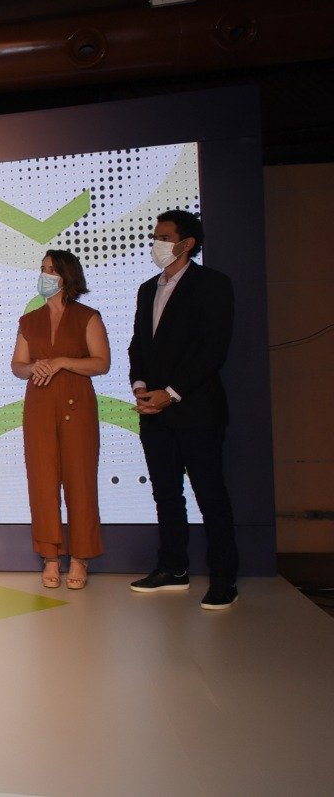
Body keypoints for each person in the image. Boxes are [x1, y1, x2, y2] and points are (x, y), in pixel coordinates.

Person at [128, 210, 240, 610]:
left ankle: (224, 579)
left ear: (187, 243)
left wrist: (171, 393)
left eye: (164, 237)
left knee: (210, 495)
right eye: (155, 236)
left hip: (197, 411)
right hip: (154, 413)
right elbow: (138, 345)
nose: (156, 243)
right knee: (166, 494)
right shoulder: (147, 289)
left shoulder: (212, 284)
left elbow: (213, 349)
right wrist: (141, 387)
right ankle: (173, 568)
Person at [11, 250, 110, 590]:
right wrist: (32, 367)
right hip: (39, 405)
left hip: (77, 404)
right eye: (42, 269)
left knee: (80, 479)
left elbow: (101, 363)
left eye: (51, 269)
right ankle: (50, 556)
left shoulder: (87, 317)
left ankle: (80, 557)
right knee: (42, 480)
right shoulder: (29, 320)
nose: (45, 275)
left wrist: (64, 361)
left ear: (67, 276)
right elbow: (17, 366)